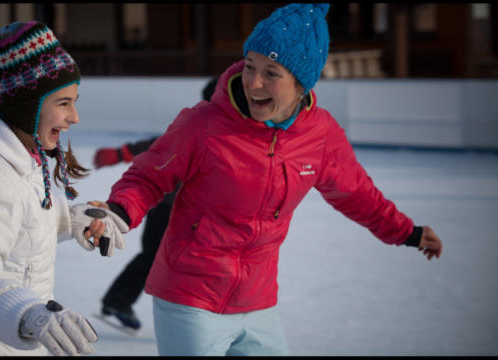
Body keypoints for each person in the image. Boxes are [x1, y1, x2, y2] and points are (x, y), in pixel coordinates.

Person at [88, 3, 443, 356]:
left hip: (258, 302)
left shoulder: (319, 135)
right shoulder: (203, 124)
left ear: (301, 82)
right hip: (191, 297)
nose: (254, 81)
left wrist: (406, 231)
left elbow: (357, 194)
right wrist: (119, 211)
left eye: (271, 72)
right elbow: (149, 176)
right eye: (250, 66)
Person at [0, 21, 128, 356]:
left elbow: (19, 217)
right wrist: (27, 313)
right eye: (63, 103)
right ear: (25, 104)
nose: (75, 117)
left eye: (74, 101)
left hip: (15, 340)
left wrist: (73, 219)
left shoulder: (24, 159)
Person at [94, 78, 217, 331]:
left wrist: (119, 154)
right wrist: (120, 154)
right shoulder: (204, 125)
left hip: (182, 207)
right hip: (172, 206)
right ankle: (121, 300)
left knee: (161, 258)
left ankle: (119, 299)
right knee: (161, 258)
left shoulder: (208, 123)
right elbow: (160, 146)